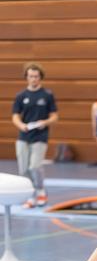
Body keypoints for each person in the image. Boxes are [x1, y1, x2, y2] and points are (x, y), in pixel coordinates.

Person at [12, 62, 58, 208]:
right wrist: (21, 125)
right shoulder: (21, 96)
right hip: (23, 136)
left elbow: (54, 116)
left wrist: (45, 122)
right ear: (26, 77)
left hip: (40, 136)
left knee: (34, 166)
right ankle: (30, 196)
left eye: (36, 76)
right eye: (31, 76)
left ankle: (40, 191)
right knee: (24, 168)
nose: (33, 79)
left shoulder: (47, 95)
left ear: (40, 77)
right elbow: (15, 116)